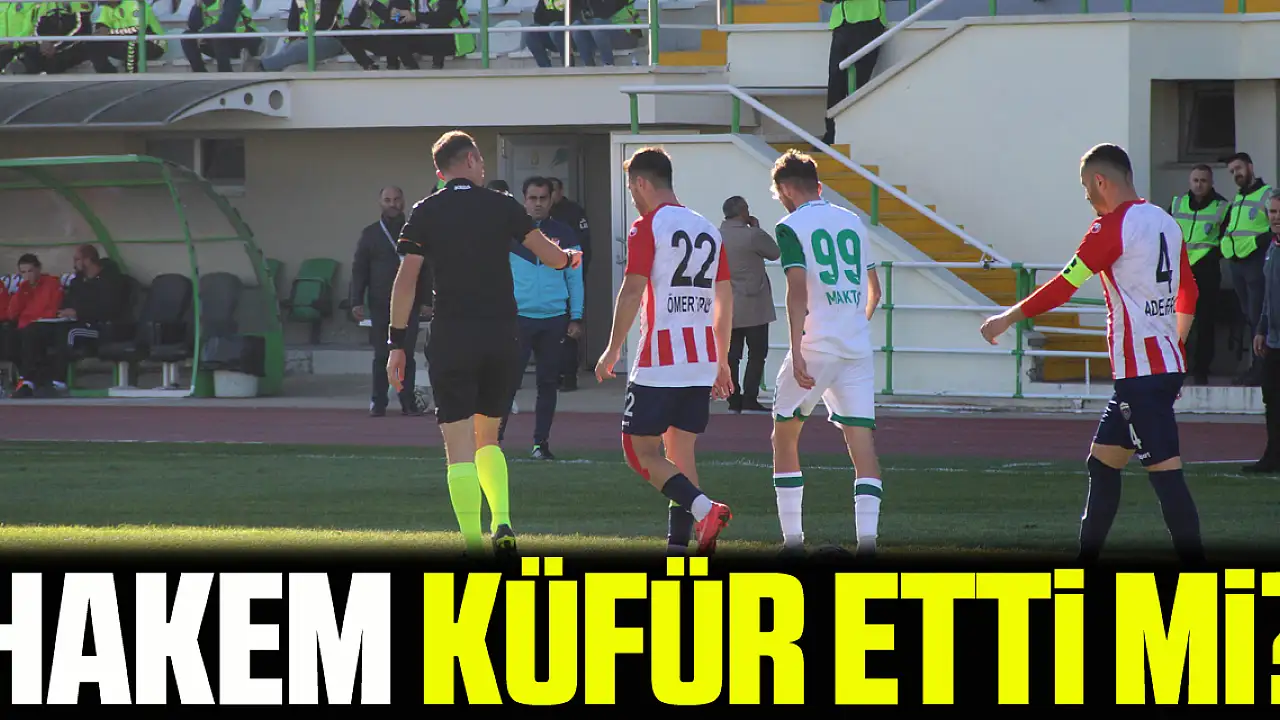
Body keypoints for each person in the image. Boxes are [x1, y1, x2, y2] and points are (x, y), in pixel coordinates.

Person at [979, 143, 1203, 564]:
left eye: (1086, 188)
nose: (1086, 197)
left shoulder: (1112, 227)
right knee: (1102, 464)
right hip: (1156, 369)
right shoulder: (1165, 221)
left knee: (1166, 476)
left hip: (1141, 376)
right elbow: (1188, 291)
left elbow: (1064, 285)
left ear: (1100, 181)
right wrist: (1175, 344)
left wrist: (1007, 317)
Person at [386, 130, 582, 557]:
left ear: (440, 172)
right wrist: (569, 258)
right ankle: (503, 521)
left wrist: (396, 343)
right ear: (472, 160)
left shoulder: (425, 210)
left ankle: (474, 544)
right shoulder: (502, 205)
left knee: (458, 447)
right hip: (501, 334)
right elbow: (549, 255)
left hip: (452, 336)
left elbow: (406, 280)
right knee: (488, 438)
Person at [594, 146, 734, 556]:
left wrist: (612, 348)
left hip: (660, 359)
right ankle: (683, 548)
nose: (632, 198)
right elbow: (725, 298)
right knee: (680, 455)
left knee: (639, 453)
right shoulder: (708, 228)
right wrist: (722, 358)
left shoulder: (647, 225)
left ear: (641, 183)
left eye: (630, 189)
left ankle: (706, 510)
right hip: (700, 359)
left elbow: (632, 289)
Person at [764, 151, 883, 557]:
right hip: (855, 348)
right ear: (818, 185)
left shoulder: (790, 226)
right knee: (862, 447)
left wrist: (796, 350)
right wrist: (853, 324)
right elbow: (875, 291)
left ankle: (793, 543)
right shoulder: (852, 220)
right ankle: (868, 545)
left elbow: (797, 290)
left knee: (784, 435)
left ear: (784, 189)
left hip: (816, 345)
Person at [498, 176, 584, 459]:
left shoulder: (565, 233)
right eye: (532, 198)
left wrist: (576, 316)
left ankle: (541, 444)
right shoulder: (509, 233)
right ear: (524, 200)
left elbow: (575, 278)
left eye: (543, 198)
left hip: (554, 319)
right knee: (508, 383)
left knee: (547, 384)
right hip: (518, 319)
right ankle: (493, 444)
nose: (537, 204)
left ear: (551, 200)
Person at [351, 186, 432, 417]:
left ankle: (408, 402)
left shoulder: (415, 232)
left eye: (396, 199)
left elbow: (426, 269)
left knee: (406, 353)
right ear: (380, 203)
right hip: (380, 303)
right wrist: (356, 300)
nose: (392, 204)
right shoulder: (370, 234)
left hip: (409, 303)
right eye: (387, 200)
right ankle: (378, 402)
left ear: (403, 202)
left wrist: (427, 300)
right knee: (381, 354)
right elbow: (360, 269)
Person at [720, 195, 780, 414]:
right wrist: (757, 227)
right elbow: (774, 252)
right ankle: (750, 398)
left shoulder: (716, 235)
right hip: (754, 303)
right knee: (756, 353)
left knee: (731, 355)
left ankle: (733, 398)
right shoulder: (752, 235)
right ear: (743, 211)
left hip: (726, 305)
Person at [1168, 165, 1227, 385]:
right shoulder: (1178, 203)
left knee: (1205, 321)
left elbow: (1227, 238)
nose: (1199, 185)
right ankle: (1178, 366)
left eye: (1203, 180)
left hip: (1206, 271)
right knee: (1178, 321)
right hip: (1180, 271)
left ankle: (1202, 369)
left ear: (1211, 182)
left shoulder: (1222, 206)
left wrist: (1212, 257)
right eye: (1195, 180)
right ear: (1190, 182)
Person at [1222, 152, 1273, 386]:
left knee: (1258, 317)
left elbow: (1274, 226)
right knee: (1249, 317)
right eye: (1232, 171)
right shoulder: (1238, 198)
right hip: (1237, 264)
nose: (1236, 174)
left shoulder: (1267, 194)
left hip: (1256, 262)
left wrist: (1259, 243)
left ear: (1250, 167)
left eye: (1239, 168)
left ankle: (1262, 369)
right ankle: (1257, 367)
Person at [1244, 194, 1280, 473]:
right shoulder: (1272, 248)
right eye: (1273, 212)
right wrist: (1261, 329)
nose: (1276, 217)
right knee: (1272, 399)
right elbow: (1269, 297)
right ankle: (1273, 455)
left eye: (1279, 212)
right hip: (1274, 340)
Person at [820, 0, 884, 145]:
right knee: (836, 82)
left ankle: (855, 135)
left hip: (868, 19)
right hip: (841, 23)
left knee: (859, 84)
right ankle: (832, 135)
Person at [8, 254, 64, 398]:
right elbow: (12, 313)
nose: (27, 276)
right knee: (7, 337)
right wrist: (21, 293)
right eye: (23, 272)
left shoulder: (51, 284)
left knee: (30, 334)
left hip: (45, 326)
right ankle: (24, 379)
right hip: (25, 327)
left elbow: (52, 309)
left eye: (30, 271)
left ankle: (28, 381)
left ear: (38, 269)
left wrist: (33, 320)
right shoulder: (23, 288)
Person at [181, 0, 263, 73]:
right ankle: (200, 73)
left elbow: (226, 24)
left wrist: (203, 35)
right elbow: (192, 26)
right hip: (221, 43)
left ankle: (225, 72)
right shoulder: (202, 3)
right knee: (187, 36)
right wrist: (197, 7)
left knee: (218, 34)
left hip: (247, 41)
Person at [89, 0, 166, 74]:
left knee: (131, 44)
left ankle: (133, 76)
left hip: (153, 43)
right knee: (93, 43)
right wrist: (100, 31)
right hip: (125, 40)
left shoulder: (136, 3)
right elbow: (101, 26)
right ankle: (109, 74)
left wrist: (110, 32)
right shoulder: (108, 6)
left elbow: (137, 30)